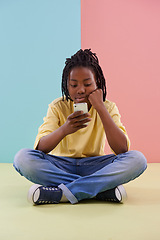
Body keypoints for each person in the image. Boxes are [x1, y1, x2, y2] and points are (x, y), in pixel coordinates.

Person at [13, 49, 147, 205]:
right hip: (60, 165)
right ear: (66, 85)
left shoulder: (108, 107)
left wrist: (101, 109)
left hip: (95, 165)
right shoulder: (57, 106)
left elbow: (122, 149)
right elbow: (41, 148)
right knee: (22, 158)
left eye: (88, 84)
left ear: (98, 82)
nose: (81, 90)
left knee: (137, 159)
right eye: (73, 85)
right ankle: (98, 189)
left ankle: (63, 193)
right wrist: (65, 129)